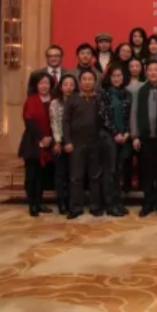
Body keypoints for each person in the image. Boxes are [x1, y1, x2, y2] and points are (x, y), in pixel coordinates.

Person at [132, 61, 157, 217]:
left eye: (156, 70)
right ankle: (148, 203)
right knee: (146, 173)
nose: (153, 73)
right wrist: (135, 136)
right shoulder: (140, 90)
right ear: (146, 72)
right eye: (150, 70)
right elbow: (134, 113)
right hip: (145, 138)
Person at [63, 69, 103, 219]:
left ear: (95, 82)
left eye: (90, 79)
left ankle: (95, 206)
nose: (87, 82)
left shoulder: (99, 98)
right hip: (76, 143)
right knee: (76, 177)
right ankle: (75, 207)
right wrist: (67, 141)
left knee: (95, 176)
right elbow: (65, 121)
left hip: (95, 143)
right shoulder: (72, 99)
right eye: (84, 79)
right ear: (79, 82)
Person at [97, 65, 131, 217]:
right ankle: (109, 204)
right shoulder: (103, 94)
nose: (117, 78)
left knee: (119, 171)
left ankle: (118, 202)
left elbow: (129, 115)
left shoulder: (127, 94)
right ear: (109, 78)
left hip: (124, 137)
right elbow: (103, 116)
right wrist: (115, 133)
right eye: (114, 76)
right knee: (109, 171)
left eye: (119, 75)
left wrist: (127, 133)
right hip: (108, 136)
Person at [20, 72, 54, 217]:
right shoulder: (31, 100)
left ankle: (40, 202)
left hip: (49, 142)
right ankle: (32, 204)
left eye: (47, 83)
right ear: (36, 85)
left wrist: (50, 138)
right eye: (41, 83)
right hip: (32, 141)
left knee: (42, 175)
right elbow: (28, 121)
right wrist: (42, 137)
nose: (44, 86)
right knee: (31, 175)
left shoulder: (54, 100)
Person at [50, 74, 78, 215]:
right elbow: (54, 123)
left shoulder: (79, 101)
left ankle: (72, 201)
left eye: (71, 84)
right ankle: (61, 202)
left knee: (73, 174)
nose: (69, 87)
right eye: (65, 84)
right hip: (59, 141)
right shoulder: (55, 103)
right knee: (60, 173)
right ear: (60, 87)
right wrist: (58, 141)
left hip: (76, 142)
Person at [124, 58, 144, 194]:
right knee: (126, 159)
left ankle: (142, 188)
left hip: (141, 128)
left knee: (143, 161)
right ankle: (126, 189)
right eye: (132, 66)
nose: (135, 68)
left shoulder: (146, 85)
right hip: (125, 129)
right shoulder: (123, 85)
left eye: (137, 66)